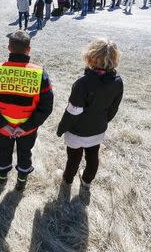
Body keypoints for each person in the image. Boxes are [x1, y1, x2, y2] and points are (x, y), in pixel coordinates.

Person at [0, 30, 53, 190]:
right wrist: (25, 127)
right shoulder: (40, 73)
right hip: (27, 130)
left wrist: (2, 124)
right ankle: (21, 182)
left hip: (4, 128)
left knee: (4, 151)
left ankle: (1, 178)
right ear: (29, 49)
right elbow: (46, 107)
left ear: (9, 48)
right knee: (25, 153)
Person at [57, 39, 123, 190]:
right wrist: (103, 121)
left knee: (74, 158)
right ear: (115, 59)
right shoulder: (118, 82)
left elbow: (73, 112)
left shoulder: (83, 83)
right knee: (93, 156)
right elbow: (113, 108)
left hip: (77, 132)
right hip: (98, 129)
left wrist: (62, 128)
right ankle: (87, 180)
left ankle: (67, 180)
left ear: (90, 57)